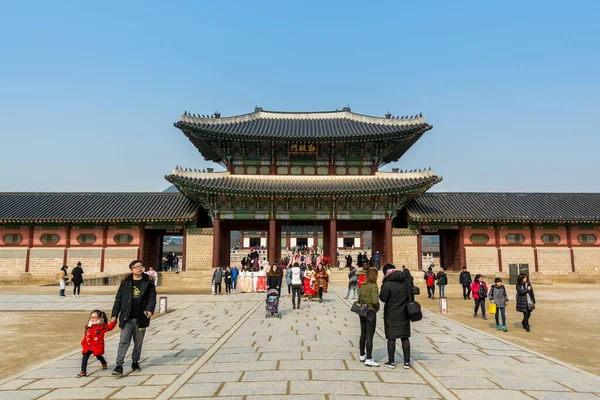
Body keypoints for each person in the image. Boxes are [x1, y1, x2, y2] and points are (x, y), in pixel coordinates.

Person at [111, 259, 157, 376]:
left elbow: (152, 298)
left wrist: (150, 310)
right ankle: (119, 365)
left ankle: (135, 360)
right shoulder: (125, 282)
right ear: (131, 269)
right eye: (136, 267)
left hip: (141, 317)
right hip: (127, 316)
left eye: (141, 266)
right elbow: (118, 299)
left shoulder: (148, 282)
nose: (139, 268)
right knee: (123, 341)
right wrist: (114, 315)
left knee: (138, 342)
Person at [379, 264, 412, 369]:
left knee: (391, 337)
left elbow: (383, 299)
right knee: (405, 337)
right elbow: (410, 296)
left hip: (391, 313)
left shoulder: (387, 283)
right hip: (404, 313)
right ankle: (407, 362)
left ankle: (391, 361)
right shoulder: (405, 282)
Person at [77, 310, 116, 377]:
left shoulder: (102, 326)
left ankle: (103, 362)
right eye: (92, 317)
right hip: (88, 345)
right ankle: (83, 371)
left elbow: (109, 327)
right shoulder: (88, 326)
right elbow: (85, 336)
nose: (93, 319)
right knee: (85, 357)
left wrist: (113, 322)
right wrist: (83, 343)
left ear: (100, 318)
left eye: (95, 317)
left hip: (96, 345)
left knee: (98, 356)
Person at [358, 268, 380, 367]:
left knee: (363, 334)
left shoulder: (363, 285)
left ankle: (362, 354)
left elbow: (359, 299)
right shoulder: (373, 287)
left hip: (362, 311)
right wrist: (377, 308)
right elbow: (375, 301)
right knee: (369, 336)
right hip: (370, 312)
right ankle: (369, 358)